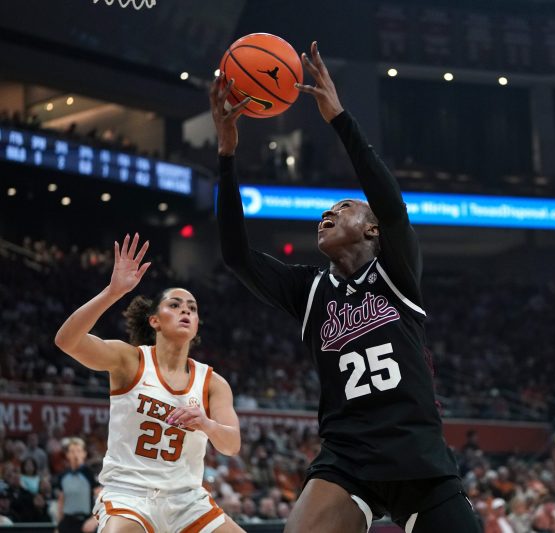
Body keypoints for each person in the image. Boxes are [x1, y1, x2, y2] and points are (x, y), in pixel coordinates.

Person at [212, 41, 480, 533]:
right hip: (347, 457)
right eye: (326, 210)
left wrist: (339, 119)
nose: (328, 212)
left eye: (343, 208)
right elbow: (236, 255)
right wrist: (227, 154)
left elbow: (391, 203)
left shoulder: (397, 270)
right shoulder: (309, 290)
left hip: (417, 452)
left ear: (372, 229)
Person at [54, 234, 245, 533]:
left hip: (187, 500)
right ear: (154, 320)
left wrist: (207, 424)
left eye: (192, 308)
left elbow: (232, 446)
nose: (186, 311)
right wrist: (112, 292)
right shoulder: (130, 360)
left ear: (197, 325)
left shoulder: (212, 382)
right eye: (175, 305)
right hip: (129, 494)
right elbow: (67, 341)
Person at [54, 438, 97, 533]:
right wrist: (58, 525)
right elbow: (61, 501)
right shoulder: (63, 476)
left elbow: (101, 497)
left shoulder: (90, 474)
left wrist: (94, 520)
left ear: (84, 453)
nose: (75, 454)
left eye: (78, 451)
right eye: (72, 451)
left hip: (86, 523)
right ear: (67, 455)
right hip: (67, 522)